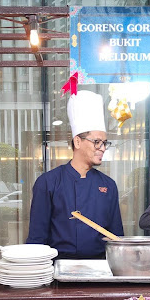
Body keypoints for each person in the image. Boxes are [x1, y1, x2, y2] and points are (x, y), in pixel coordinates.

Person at [26, 90, 124, 258]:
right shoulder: (48, 182)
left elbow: (116, 236)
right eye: (96, 142)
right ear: (77, 141)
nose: (102, 148)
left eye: (104, 143)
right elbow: (37, 237)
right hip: (58, 268)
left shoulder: (108, 185)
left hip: (99, 269)